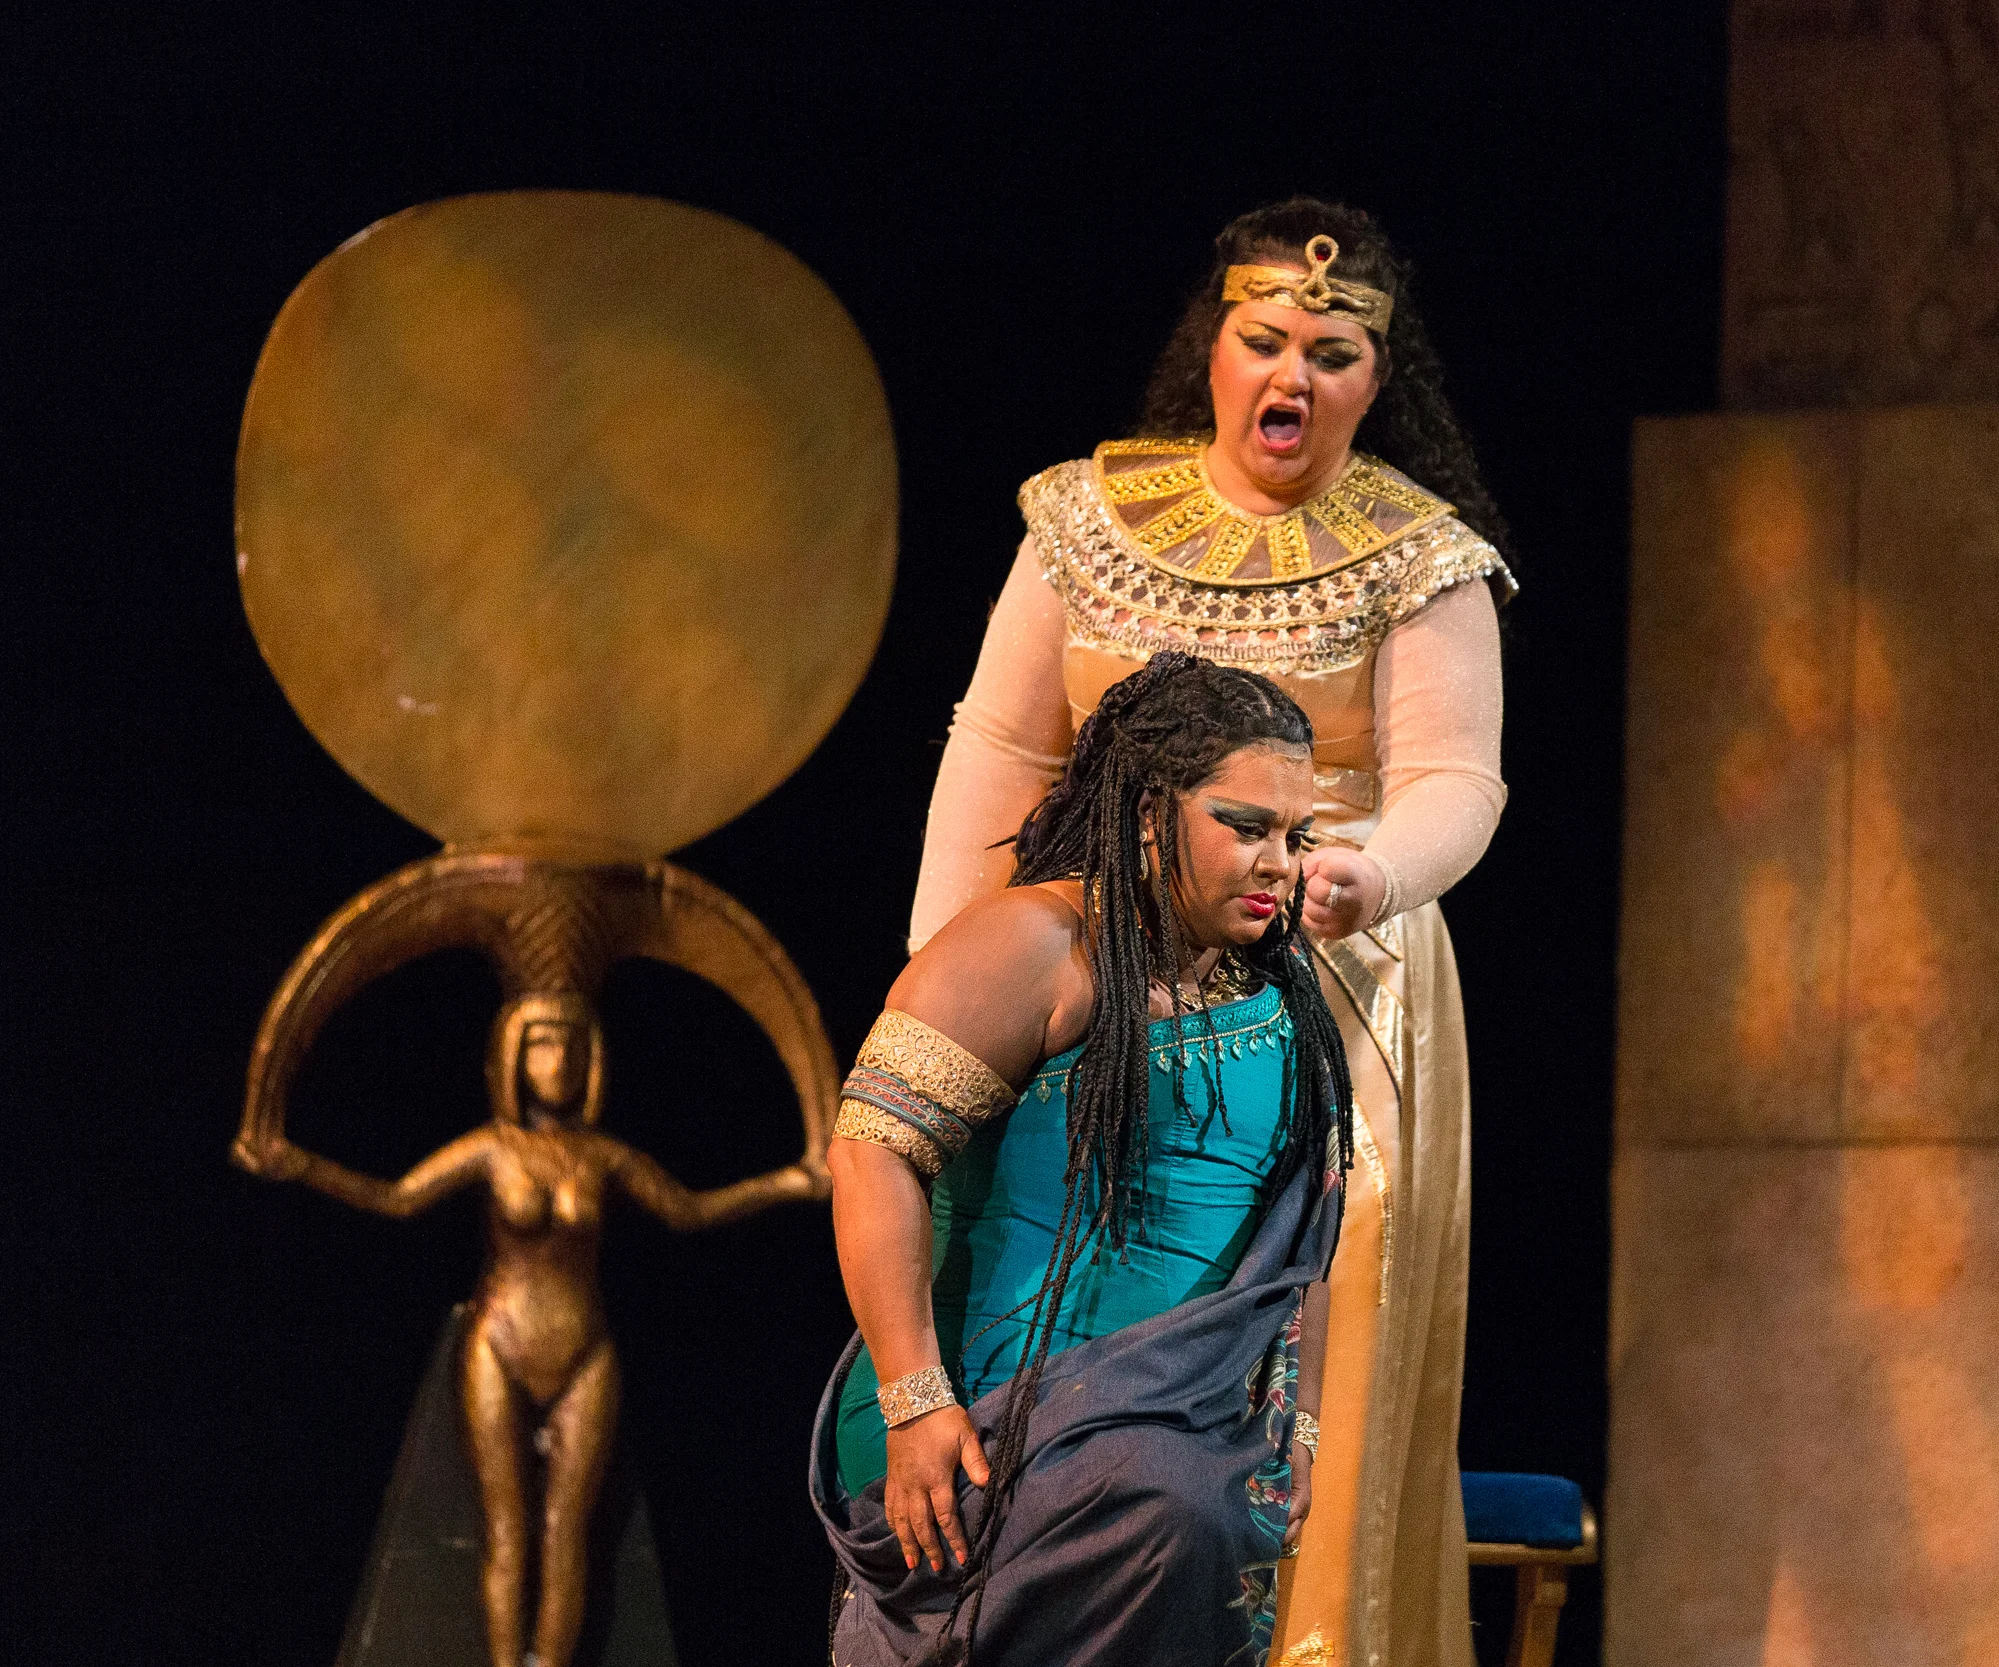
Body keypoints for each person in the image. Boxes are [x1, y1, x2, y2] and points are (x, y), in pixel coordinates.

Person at [907, 198, 1512, 1665]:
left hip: (1326, 974)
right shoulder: (1085, 519)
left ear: (1377, 380)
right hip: (1090, 968)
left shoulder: (1417, 554)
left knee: (1319, 1295)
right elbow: (1002, 745)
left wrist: (1369, 872)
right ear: (1217, 349)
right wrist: (939, 970)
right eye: (1265, 339)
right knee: (1049, 1249)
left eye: (1333, 351)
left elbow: (1458, 779)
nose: (1293, 373)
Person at [815, 652, 1355, 1665]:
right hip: (987, 1403)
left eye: (1297, 835)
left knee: (1185, 1501)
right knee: (1165, 1505)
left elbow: (1302, 1253)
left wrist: (1300, 1431)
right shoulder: (1033, 943)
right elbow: (870, 1154)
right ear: (1149, 813)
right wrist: (914, 1401)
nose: (1279, 863)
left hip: (1180, 1425)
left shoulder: (1281, 997)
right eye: (1246, 826)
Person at [238, 990, 825, 1667]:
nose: (560, 1058)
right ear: (512, 1055)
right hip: (500, 1340)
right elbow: (399, 1196)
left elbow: (687, 1209)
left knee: (567, 1530)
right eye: (543, 1041)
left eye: (574, 1042)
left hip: (584, 1347)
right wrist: (300, 1163)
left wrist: (790, 1181)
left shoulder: (600, 1156)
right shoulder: (494, 1147)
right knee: (506, 1527)